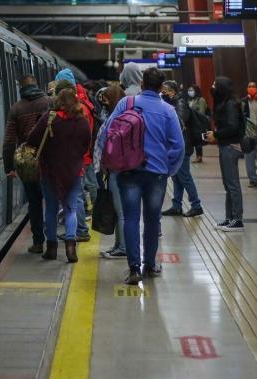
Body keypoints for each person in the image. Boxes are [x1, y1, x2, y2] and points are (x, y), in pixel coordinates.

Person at [105, 68, 184, 284]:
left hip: (128, 172)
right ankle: (150, 264)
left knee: (131, 218)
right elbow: (178, 147)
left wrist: (111, 164)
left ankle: (133, 269)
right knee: (152, 220)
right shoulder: (168, 111)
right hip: (156, 174)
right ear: (161, 88)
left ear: (142, 84)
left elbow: (107, 133)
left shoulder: (126, 104)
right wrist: (168, 170)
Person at [27, 88, 91, 263]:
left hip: (50, 172)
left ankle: (52, 247)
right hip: (73, 172)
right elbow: (86, 145)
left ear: (58, 102)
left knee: (52, 209)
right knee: (70, 209)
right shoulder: (82, 121)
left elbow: (32, 139)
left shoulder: (50, 118)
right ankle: (71, 248)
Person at [2, 75, 52, 253]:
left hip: (28, 163)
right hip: (49, 160)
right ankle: (52, 241)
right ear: (37, 85)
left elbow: (9, 141)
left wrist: (9, 167)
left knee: (34, 202)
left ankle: (38, 242)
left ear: (21, 89)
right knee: (51, 201)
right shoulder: (49, 102)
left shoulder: (16, 108)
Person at [54, 69, 95, 242]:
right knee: (76, 196)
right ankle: (78, 229)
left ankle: (81, 230)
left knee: (76, 197)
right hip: (81, 158)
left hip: (78, 160)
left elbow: (83, 137)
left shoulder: (80, 109)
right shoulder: (84, 103)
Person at [204, 77, 245, 232]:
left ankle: (238, 220)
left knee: (232, 184)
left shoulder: (230, 105)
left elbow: (233, 127)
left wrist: (216, 134)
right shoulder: (224, 103)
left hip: (230, 146)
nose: (212, 86)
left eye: (215, 84)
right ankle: (230, 217)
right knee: (228, 184)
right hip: (225, 146)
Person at [93, 83, 128, 259]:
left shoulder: (117, 119)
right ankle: (118, 245)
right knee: (118, 210)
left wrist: (106, 166)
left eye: (106, 100)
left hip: (116, 170)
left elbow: (110, 145)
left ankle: (122, 247)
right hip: (115, 170)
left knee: (121, 211)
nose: (103, 103)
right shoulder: (117, 116)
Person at [160, 81, 204, 217]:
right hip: (175, 145)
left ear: (173, 91)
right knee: (176, 177)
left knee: (184, 176)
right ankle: (177, 205)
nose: (163, 93)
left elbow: (179, 120)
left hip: (182, 145)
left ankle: (196, 205)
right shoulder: (173, 102)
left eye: (166, 90)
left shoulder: (180, 102)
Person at [188, 85, 208, 163]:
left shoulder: (201, 99)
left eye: (191, 90)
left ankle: (199, 156)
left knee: (198, 140)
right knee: (194, 139)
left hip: (198, 123)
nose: (190, 92)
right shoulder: (189, 100)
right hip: (191, 123)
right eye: (189, 90)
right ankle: (197, 156)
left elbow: (202, 112)